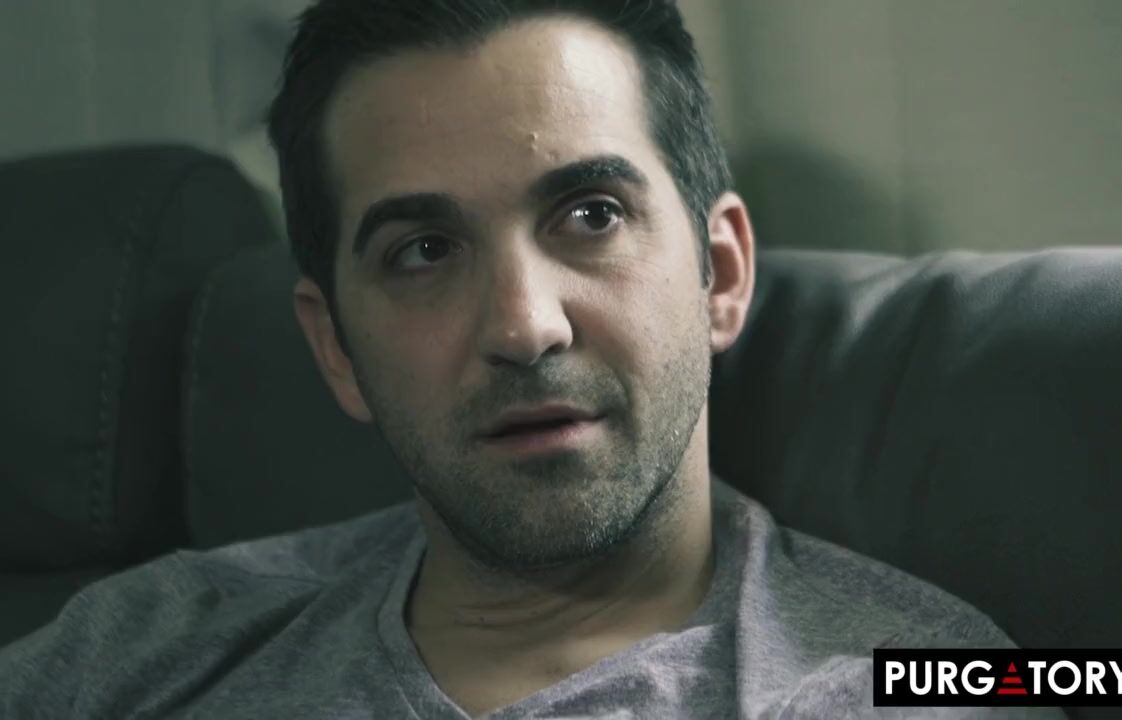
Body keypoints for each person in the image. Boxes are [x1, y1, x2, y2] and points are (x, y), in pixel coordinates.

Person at [0, 1, 1064, 717]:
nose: (523, 326)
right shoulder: (145, 641)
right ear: (334, 346)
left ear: (721, 274)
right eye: (423, 251)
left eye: (590, 214)